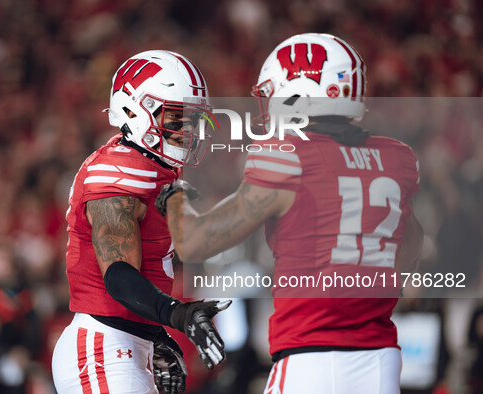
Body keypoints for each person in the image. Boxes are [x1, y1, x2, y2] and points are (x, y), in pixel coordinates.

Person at [156, 33, 424, 394]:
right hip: (380, 357)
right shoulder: (396, 157)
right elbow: (411, 244)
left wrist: (173, 193)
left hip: (312, 356)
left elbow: (193, 242)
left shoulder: (290, 155)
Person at [51, 50, 230, 394]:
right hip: (102, 348)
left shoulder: (155, 169)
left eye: (193, 119)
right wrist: (176, 315)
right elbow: (118, 275)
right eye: (177, 118)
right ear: (134, 110)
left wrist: (155, 334)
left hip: (124, 345)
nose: (187, 130)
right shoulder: (116, 170)